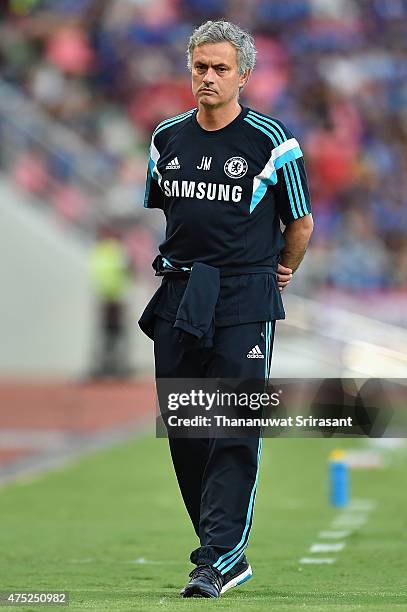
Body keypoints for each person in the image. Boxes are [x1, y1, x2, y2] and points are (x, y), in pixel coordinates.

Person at [139, 20, 313, 598]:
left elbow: (301, 220)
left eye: (220, 69)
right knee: (187, 429)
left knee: (234, 426)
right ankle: (215, 548)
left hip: (245, 294)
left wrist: (281, 269)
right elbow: (165, 211)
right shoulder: (166, 138)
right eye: (200, 68)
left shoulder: (271, 140)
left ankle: (222, 556)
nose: (208, 78)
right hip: (182, 295)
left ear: (244, 74)